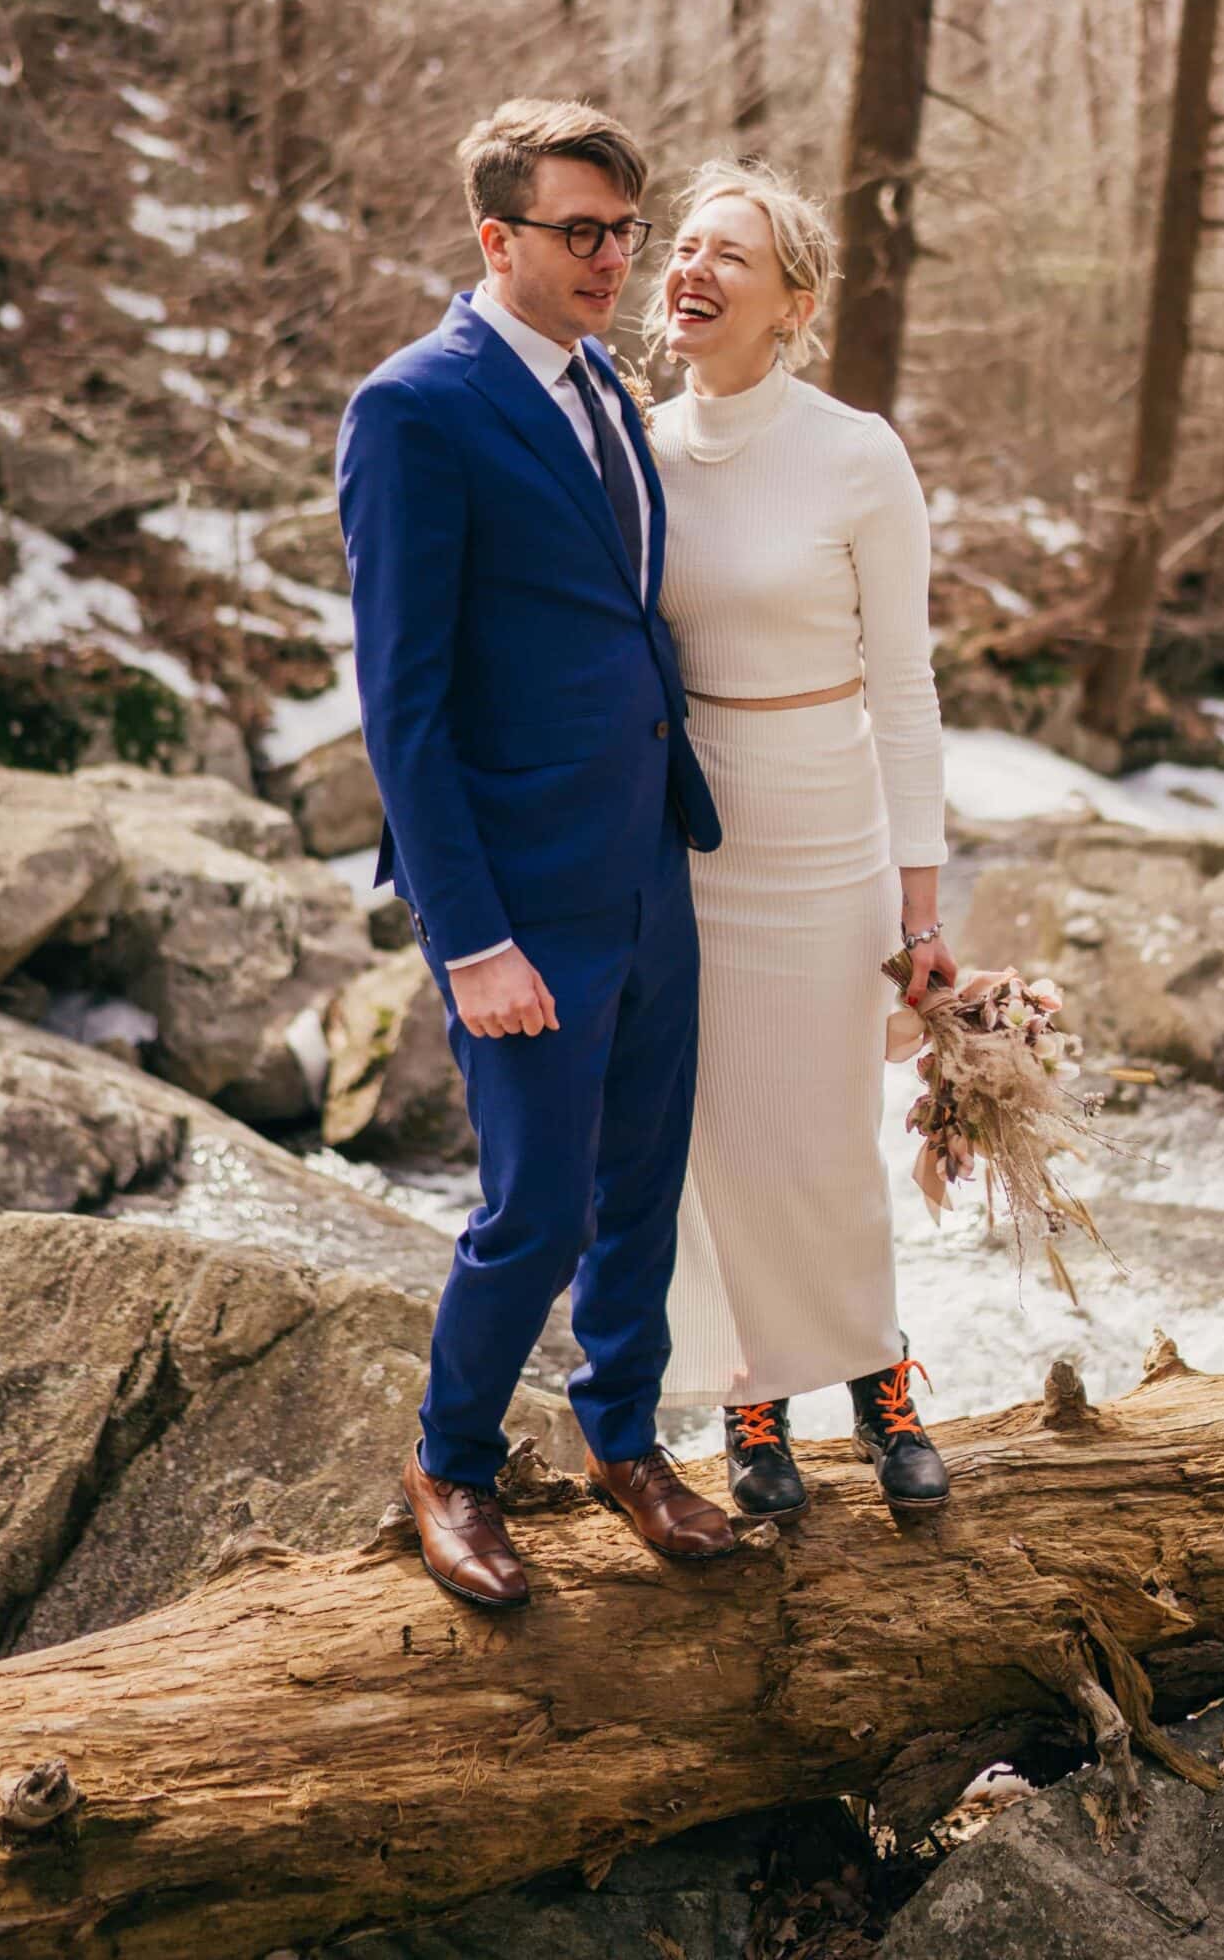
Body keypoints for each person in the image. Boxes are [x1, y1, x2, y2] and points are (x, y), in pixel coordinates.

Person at [336, 97, 736, 1612]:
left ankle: (622, 1438)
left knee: (644, 1177)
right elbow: (405, 706)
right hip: (516, 889)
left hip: (645, 858)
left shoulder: (605, 394)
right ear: (495, 237)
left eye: (625, 231)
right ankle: (451, 1461)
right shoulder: (415, 408)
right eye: (581, 231)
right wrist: (470, 934)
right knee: (539, 1206)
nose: (614, 259)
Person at [651, 160, 958, 1520]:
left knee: (827, 1135)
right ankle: (747, 1406)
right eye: (684, 244)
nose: (692, 269)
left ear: (794, 302)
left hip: (830, 831)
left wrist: (922, 910)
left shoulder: (855, 453)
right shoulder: (636, 448)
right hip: (692, 840)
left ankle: (880, 1383)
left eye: (731, 254)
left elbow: (906, 689)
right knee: (713, 1138)